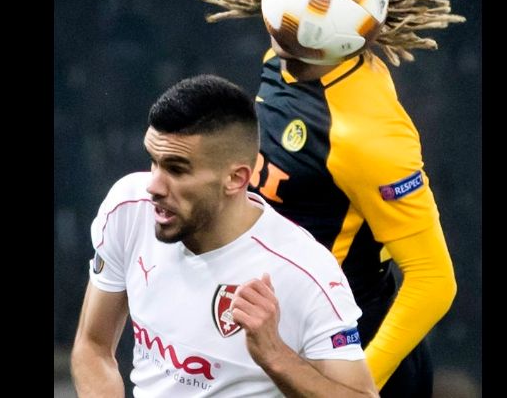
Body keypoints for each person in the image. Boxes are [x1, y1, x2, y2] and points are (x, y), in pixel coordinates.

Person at [169, 0, 463, 397]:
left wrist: (353, 383)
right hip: (281, 342)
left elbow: (434, 281)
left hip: (350, 355)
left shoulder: (368, 135)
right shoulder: (282, 54)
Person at [70, 74, 379, 397]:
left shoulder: (305, 273)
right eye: (154, 161)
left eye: (176, 169)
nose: (154, 186)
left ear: (235, 178)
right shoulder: (129, 208)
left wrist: (277, 357)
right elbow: (93, 347)